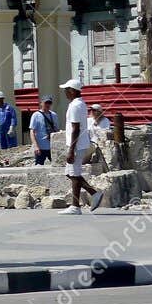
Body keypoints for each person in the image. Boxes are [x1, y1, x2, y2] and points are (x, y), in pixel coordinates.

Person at [62, 79, 103, 213]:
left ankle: (92, 194)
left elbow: (75, 129)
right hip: (79, 144)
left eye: (66, 90)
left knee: (73, 174)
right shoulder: (80, 103)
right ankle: (76, 205)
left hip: (76, 145)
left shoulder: (75, 106)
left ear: (73, 91)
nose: (65, 93)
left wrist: (71, 150)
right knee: (71, 173)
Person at [29, 96, 58, 165]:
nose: (48, 105)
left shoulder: (54, 115)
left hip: (52, 147)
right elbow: (32, 131)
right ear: (41, 103)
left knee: (56, 166)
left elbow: (56, 129)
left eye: (49, 103)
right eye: (46, 103)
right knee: (38, 166)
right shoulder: (36, 115)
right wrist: (36, 146)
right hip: (41, 147)